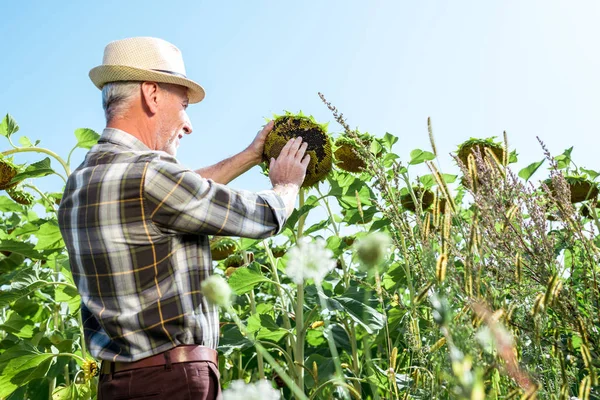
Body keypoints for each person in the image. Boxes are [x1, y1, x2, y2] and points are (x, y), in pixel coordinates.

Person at [57, 37, 310, 400]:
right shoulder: (148, 175)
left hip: (117, 384)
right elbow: (258, 217)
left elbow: (177, 195)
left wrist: (251, 155)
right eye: (184, 105)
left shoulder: (81, 182)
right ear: (152, 95)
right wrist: (287, 186)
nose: (188, 125)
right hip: (173, 380)